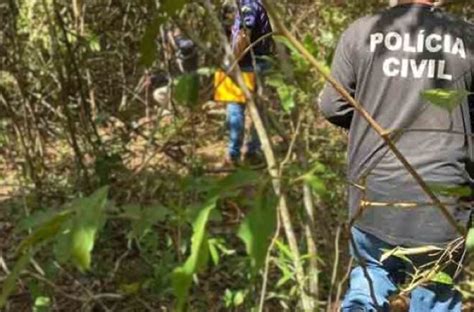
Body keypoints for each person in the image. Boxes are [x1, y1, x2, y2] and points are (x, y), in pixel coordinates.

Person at [320, 0, 474, 311]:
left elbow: (332, 106)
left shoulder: (362, 32)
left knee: (369, 280)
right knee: (434, 296)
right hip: (445, 195)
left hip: (375, 190)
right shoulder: (467, 36)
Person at [225, 0, 273, 165]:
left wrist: (233, 63)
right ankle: (253, 149)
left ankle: (235, 152)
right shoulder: (255, 4)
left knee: (236, 109)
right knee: (257, 108)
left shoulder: (249, 5)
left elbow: (245, 34)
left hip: (247, 65)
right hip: (256, 64)